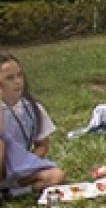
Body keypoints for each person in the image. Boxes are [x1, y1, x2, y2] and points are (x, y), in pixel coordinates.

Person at [0, 52, 65, 195]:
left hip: (17, 169)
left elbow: (42, 145)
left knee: (56, 176)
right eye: (9, 78)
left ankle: (11, 192)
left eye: (20, 75)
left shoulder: (33, 108)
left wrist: (26, 165)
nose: (17, 81)